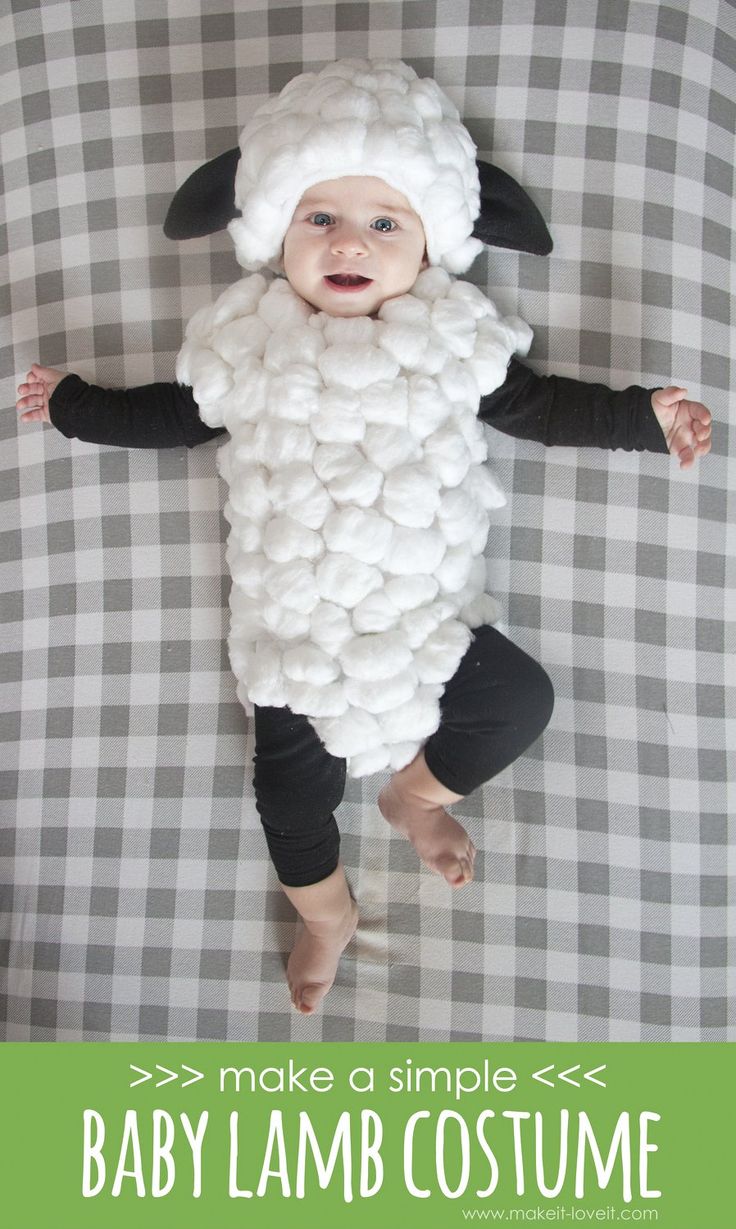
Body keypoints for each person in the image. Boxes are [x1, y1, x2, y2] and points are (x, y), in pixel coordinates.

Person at [16, 60, 712, 1016]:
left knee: (519, 701)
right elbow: (173, 418)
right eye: (320, 218)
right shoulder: (250, 349)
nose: (350, 241)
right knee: (291, 804)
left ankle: (415, 797)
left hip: (423, 619)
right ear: (272, 233)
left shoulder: (452, 344)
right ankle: (327, 913)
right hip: (293, 635)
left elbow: (545, 406)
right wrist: (74, 405)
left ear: (432, 245)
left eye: (385, 222)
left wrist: (644, 418)